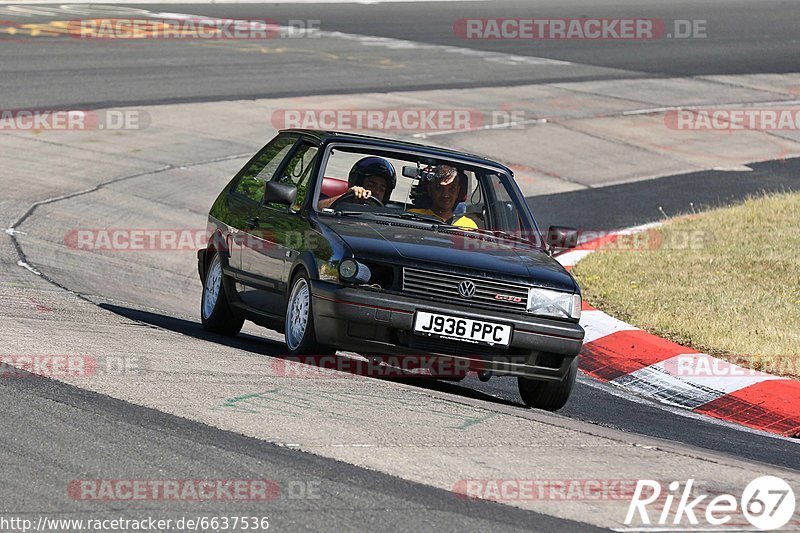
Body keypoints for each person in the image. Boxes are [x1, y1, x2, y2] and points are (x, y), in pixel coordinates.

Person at [409, 165, 478, 229]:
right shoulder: (413, 217)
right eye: (439, 188)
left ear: (457, 192)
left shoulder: (469, 226)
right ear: (430, 190)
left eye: (452, 189)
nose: (445, 195)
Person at [318, 157, 396, 209]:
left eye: (382, 189)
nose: (377, 192)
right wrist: (348, 196)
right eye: (371, 185)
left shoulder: (386, 216)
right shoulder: (343, 205)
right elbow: (316, 207)